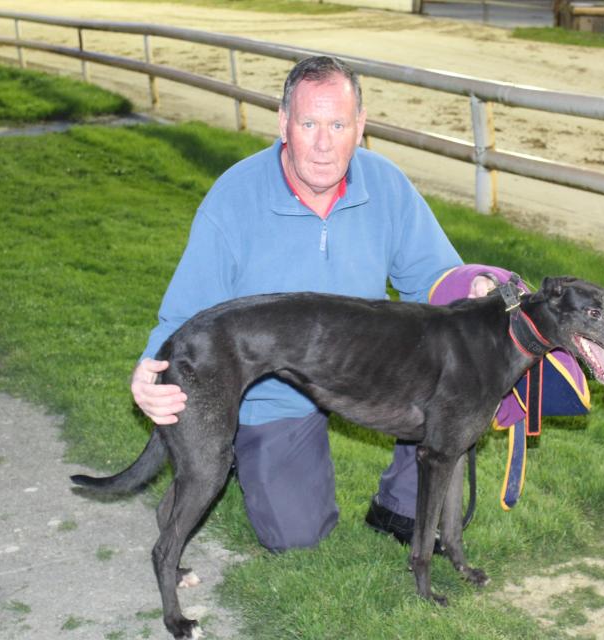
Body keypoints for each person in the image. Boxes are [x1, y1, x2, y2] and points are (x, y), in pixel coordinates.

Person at [130, 55, 491, 553]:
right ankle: (223, 447)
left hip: (366, 373)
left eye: (339, 124)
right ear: (283, 124)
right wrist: (153, 371)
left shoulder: (386, 185)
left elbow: (434, 280)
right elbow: (186, 313)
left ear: (360, 127)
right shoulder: (234, 196)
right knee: (297, 536)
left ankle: (399, 506)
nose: (324, 143)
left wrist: (475, 294)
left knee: (453, 388)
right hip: (270, 389)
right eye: (309, 124)